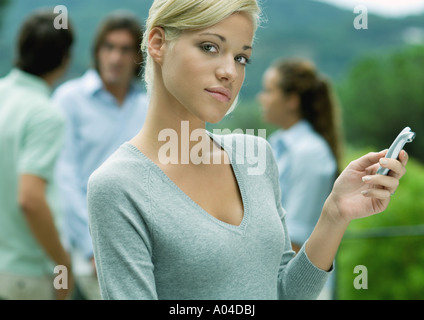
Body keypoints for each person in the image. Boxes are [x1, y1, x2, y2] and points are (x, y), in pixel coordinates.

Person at [86, 0, 408, 300]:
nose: (230, 72)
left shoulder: (255, 156)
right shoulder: (118, 186)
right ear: (157, 44)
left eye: (241, 57)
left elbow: (284, 292)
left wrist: (335, 213)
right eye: (210, 47)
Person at [52, 11, 149, 300]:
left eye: (125, 49)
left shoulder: (147, 107)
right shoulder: (69, 99)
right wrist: (93, 247)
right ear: (97, 52)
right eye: (109, 47)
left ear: (138, 56)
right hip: (81, 254)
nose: (116, 58)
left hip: (135, 251)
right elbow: (64, 178)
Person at [0, 9, 74, 300]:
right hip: (26, 275)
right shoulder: (45, 114)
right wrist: (62, 264)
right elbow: (30, 198)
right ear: (64, 60)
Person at [258, 59, 342, 299]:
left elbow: (296, 237)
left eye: (268, 90)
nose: (261, 98)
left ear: (292, 100)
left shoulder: (308, 152)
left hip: (299, 286)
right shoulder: (278, 145)